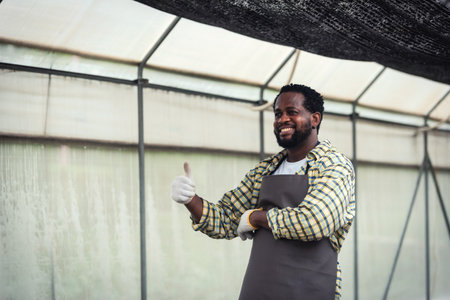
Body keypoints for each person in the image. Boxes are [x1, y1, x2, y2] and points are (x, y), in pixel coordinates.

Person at [171, 84, 355, 300]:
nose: (282, 119)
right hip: (261, 287)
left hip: (309, 289)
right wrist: (190, 200)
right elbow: (225, 220)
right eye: (277, 114)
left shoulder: (334, 165)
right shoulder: (266, 170)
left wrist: (256, 217)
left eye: (291, 112)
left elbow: (314, 222)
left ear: (315, 119)